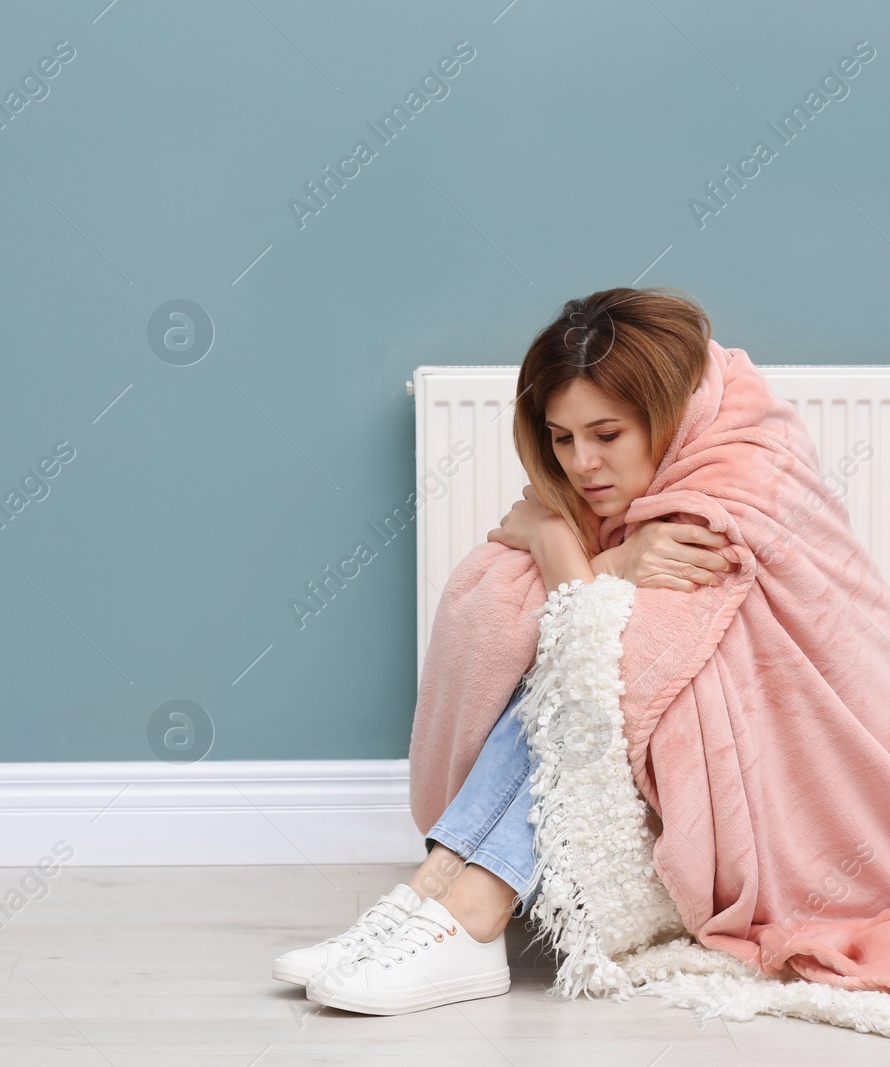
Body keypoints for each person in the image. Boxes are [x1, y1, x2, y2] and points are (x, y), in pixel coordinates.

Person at [272, 288, 731, 1015]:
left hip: (713, 799)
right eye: (561, 437)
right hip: (622, 769)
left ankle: (474, 916)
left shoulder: (718, 505)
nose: (582, 463)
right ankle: (435, 888)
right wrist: (600, 561)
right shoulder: (610, 513)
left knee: (576, 690)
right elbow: (512, 623)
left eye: (607, 434)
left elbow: (622, 666)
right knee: (554, 680)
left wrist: (557, 545)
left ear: (666, 417)